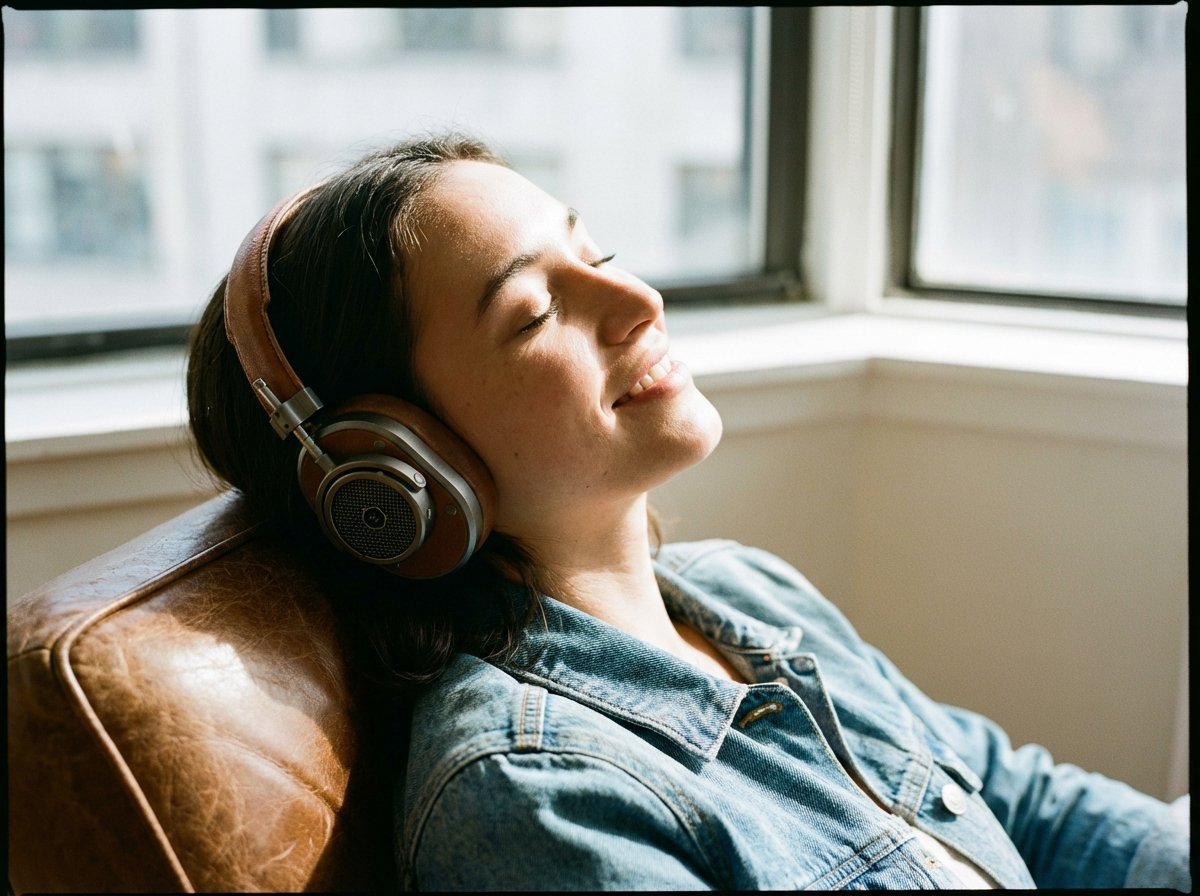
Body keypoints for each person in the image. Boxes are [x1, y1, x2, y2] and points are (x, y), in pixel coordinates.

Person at [186, 132, 1190, 891]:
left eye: (600, 250)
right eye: (535, 311)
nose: (639, 301)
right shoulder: (537, 798)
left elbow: (1027, 807)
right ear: (390, 476)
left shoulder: (741, 590)